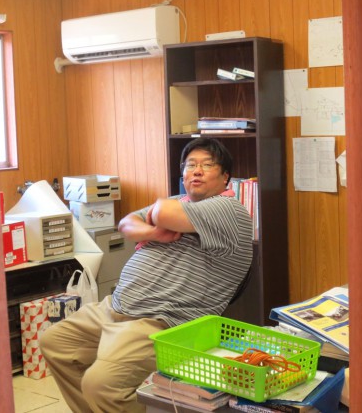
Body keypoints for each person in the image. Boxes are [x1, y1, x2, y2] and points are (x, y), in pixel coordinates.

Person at [40, 138, 254, 412]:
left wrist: (156, 215)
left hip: (160, 321)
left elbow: (162, 210)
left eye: (207, 165)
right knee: (55, 343)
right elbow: (126, 223)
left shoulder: (229, 209)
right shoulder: (180, 202)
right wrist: (154, 231)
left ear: (226, 177)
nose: (197, 171)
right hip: (116, 306)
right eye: (190, 166)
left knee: (101, 385)